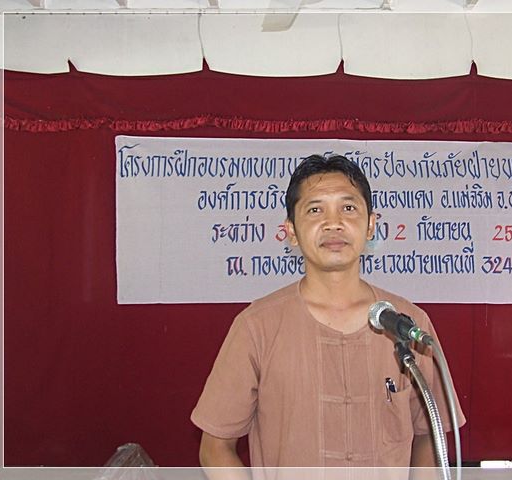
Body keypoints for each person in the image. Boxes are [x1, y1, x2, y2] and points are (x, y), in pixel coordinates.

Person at [191, 154, 465, 467]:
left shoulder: (407, 324)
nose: (333, 223)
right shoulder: (256, 327)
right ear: (291, 231)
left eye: (348, 208)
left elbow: (430, 435)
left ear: (370, 225)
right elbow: (215, 449)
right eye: (315, 209)